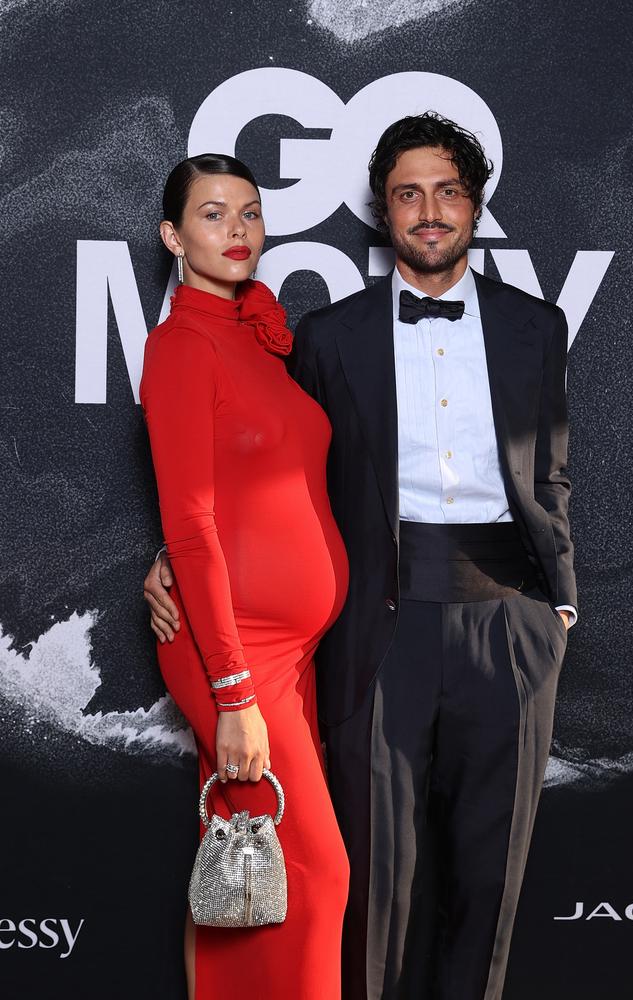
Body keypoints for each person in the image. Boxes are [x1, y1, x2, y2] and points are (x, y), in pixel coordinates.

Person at [146, 114, 577, 1000]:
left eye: (448, 190)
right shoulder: (324, 337)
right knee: (360, 884)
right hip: (376, 628)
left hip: (510, 621)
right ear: (382, 214)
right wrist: (168, 553)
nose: (429, 211)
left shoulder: (538, 325)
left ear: (476, 205)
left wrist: (558, 605)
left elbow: (552, 472)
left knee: (487, 884)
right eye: (407, 194)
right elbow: (235, 470)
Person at [139, 153, 349, 1000]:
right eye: (214, 214)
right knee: (316, 871)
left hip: (290, 654)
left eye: (250, 214)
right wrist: (231, 692)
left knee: (246, 875)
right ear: (173, 236)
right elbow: (189, 522)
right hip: (237, 654)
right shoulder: (182, 345)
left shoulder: (260, 339)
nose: (236, 231)